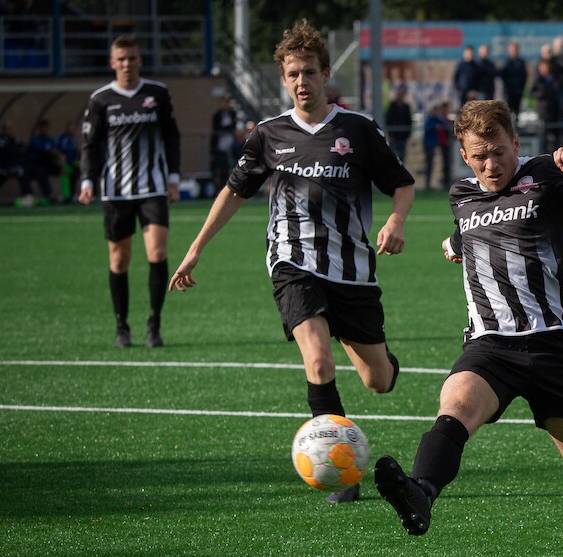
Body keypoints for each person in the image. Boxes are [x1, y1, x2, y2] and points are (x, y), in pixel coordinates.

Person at [372, 99, 563, 557]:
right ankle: (420, 494)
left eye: (499, 152)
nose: (491, 165)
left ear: (516, 143)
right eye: (480, 156)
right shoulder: (460, 194)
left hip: (552, 346)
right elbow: (475, 227)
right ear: (464, 156)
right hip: (490, 346)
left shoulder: (548, 173)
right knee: (456, 404)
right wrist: (455, 243)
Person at [168, 19, 415, 504]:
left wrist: (396, 222)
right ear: (284, 79)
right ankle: (344, 476)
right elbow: (234, 192)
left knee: (379, 381)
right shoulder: (268, 135)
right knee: (318, 362)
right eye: (292, 74)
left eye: (309, 72)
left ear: (325, 74)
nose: (301, 82)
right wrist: (196, 248)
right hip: (292, 262)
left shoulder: (358, 130)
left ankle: (369, 352)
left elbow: (402, 183)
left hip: (353, 269)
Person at [79, 35, 181, 348]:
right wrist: (87, 181)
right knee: (119, 260)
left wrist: (174, 178)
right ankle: (122, 327)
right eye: (120, 59)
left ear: (140, 60)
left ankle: (154, 324)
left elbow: (171, 137)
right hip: (115, 192)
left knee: (158, 252)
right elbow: (90, 144)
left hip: (152, 188)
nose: (126, 64)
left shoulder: (157, 93)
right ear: (112, 63)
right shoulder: (101, 99)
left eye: (131, 58)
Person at [210, 95, 237, 196]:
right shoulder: (217, 116)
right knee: (220, 169)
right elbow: (217, 128)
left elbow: (232, 126)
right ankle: (219, 190)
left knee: (230, 168)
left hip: (230, 145)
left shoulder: (232, 114)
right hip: (220, 147)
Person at [422, 102, 453, 191]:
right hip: (430, 144)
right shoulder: (430, 120)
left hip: (436, 143)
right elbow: (430, 127)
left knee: (440, 163)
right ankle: (427, 184)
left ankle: (444, 183)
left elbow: (445, 125)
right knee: (429, 164)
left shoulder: (439, 120)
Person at [384, 84, 413, 166]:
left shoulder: (406, 106)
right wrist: (390, 133)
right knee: (393, 157)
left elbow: (409, 121)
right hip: (394, 136)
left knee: (402, 157)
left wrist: (407, 134)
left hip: (403, 136)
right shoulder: (392, 106)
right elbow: (388, 119)